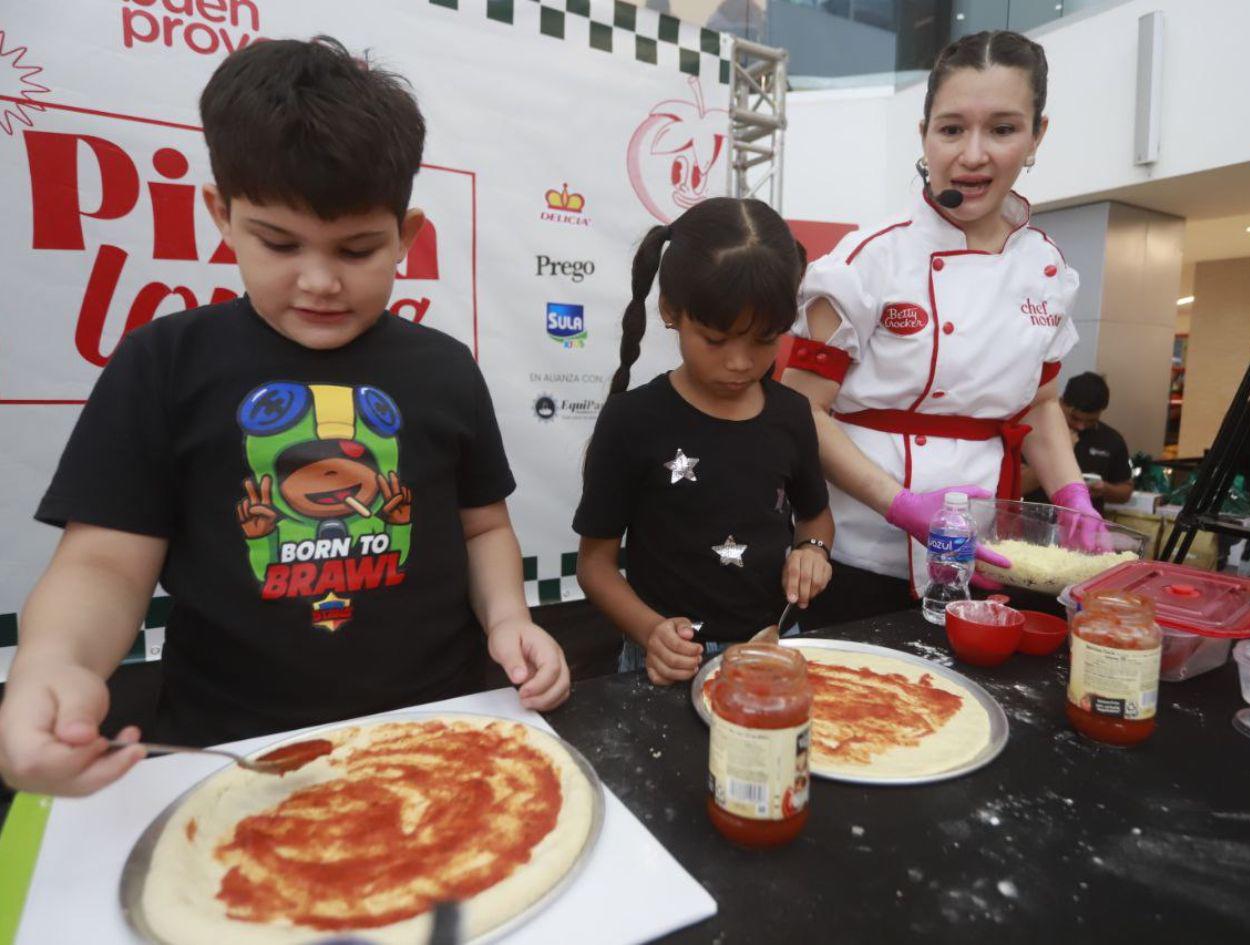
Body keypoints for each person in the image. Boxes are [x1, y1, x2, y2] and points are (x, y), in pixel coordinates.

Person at [0, 37, 569, 797]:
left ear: (407, 235)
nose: (320, 280)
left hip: (443, 728)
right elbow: (104, 561)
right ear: (221, 215)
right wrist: (53, 666)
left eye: (359, 248)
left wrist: (508, 619)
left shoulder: (444, 367)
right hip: (235, 756)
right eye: (278, 241)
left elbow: (482, 526)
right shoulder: (166, 362)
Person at [781, 30, 1103, 625]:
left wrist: (1071, 496)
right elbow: (799, 410)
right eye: (951, 129)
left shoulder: (1049, 269)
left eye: (1003, 129)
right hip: (859, 556)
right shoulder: (863, 263)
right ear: (924, 134)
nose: (973, 155)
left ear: (1037, 135)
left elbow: (1039, 406)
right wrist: (900, 505)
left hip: (989, 554)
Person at [574, 198, 834, 687]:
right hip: (671, 664)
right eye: (715, 340)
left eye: (763, 340)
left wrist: (814, 551)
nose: (739, 362)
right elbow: (595, 565)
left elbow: (815, 517)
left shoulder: (792, 414)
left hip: (777, 647)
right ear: (672, 312)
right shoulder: (633, 420)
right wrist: (650, 632)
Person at [1025, 371, 1134, 512]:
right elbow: (1020, 485)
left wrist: (1105, 489)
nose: (1081, 426)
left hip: (1084, 526)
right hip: (1036, 522)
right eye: (1075, 418)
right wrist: (1061, 452)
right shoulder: (1036, 430)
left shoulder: (1112, 440)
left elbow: (1125, 491)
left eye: (1091, 421)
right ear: (1061, 403)